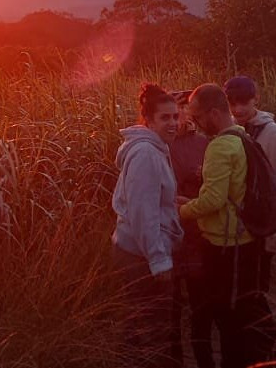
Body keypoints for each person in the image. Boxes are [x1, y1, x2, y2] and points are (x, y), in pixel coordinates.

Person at [179, 84, 276, 368]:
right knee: (242, 312)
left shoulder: (220, 145)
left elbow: (213, 199)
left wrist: (182, 211)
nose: (194, 124)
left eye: (197, 117)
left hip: (225, 247)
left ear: (213, 113)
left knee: (228, 316)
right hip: (246, 238)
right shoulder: (241, 136)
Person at [111, 83, 184, 368]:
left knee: (138, 325)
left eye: (176, 117)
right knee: (154, 331)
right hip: (141, 255)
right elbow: (144, 213)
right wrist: (159, 259)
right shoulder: (146, 154)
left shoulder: (155, 148)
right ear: (149, 121)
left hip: (135, 250)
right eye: (165, 118)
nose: (173, 123)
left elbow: (153, 201)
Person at [224, 75, 276, 294]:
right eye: (232, 103)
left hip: (262, 228)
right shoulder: (226, 132)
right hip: (234, 230)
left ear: (256, 98)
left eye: (243, 102)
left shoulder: (273, 134)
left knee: (257, 291)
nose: (238, 109)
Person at [168, 89, 213, 368]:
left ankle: (205, 360)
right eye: (172, 114)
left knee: (201, 311)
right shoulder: (159, 145)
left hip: (198, 236)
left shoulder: (205, 143)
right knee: (171, 313)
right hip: (170, 238)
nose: (179, 119)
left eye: (182, 111)